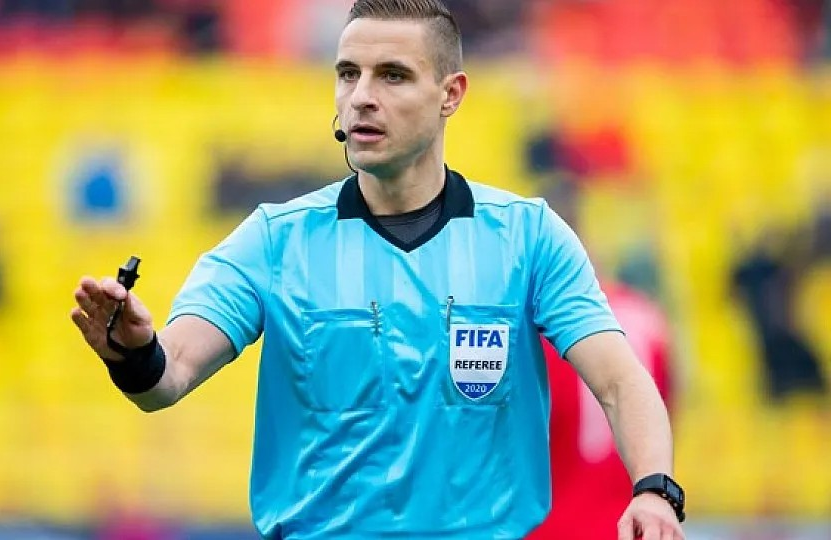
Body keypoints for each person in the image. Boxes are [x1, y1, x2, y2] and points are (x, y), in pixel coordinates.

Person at [71, 1, 686, 538]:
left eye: (393, 75)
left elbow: (621, 381)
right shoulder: (273, 241)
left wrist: (655, 490)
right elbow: (170, 374)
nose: (362, 95)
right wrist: (135, 352)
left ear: (451, 94)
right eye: (348, 73)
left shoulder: (530, 239)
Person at [528, 280, 674, 540]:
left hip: (554, 524)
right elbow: (664, 412)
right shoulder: (646, 316)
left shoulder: (536, 326)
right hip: (632, 525)